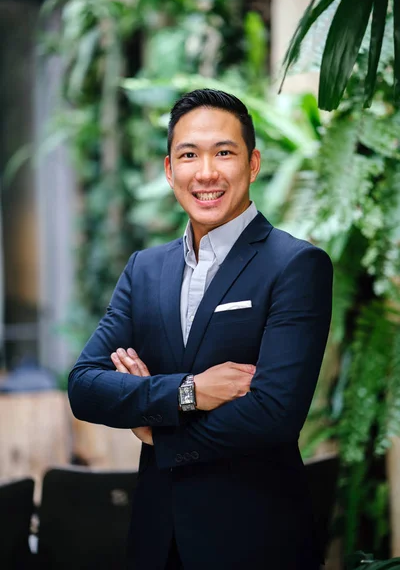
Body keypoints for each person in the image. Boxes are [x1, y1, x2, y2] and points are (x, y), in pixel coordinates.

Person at [68, 89, 333, 570]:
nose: (205, 172)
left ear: (252, 164)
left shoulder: (295, 265)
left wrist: (155, 427)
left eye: (223, 153)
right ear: (170, 170)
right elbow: (85, 386)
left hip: (256, 540)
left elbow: (274, 412)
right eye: (188, 155)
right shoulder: (144, 269)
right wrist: (188, 393)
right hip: (155, 539)